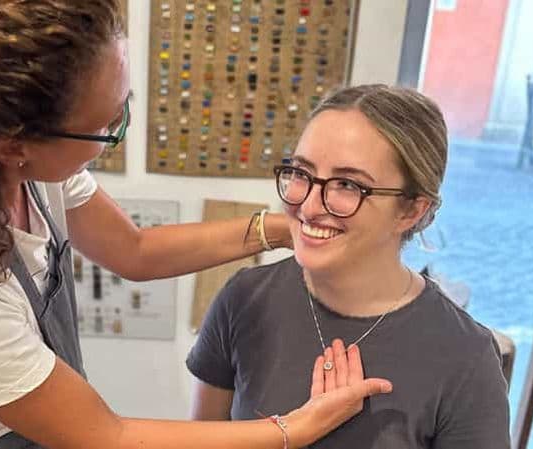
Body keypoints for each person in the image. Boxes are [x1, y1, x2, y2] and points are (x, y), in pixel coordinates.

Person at [0, 1, 393, 448]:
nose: (117, 128)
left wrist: (279, 227)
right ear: (11, 144)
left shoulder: (29, 172)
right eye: (106, 128)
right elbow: (107, 437)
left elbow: (136, 251)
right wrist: (297, 429)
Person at [187, 85, 511, 448]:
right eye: (301, 172)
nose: (309, 206)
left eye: (346, 184)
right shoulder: (244, 299)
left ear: (411, 209)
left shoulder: (466, 358)